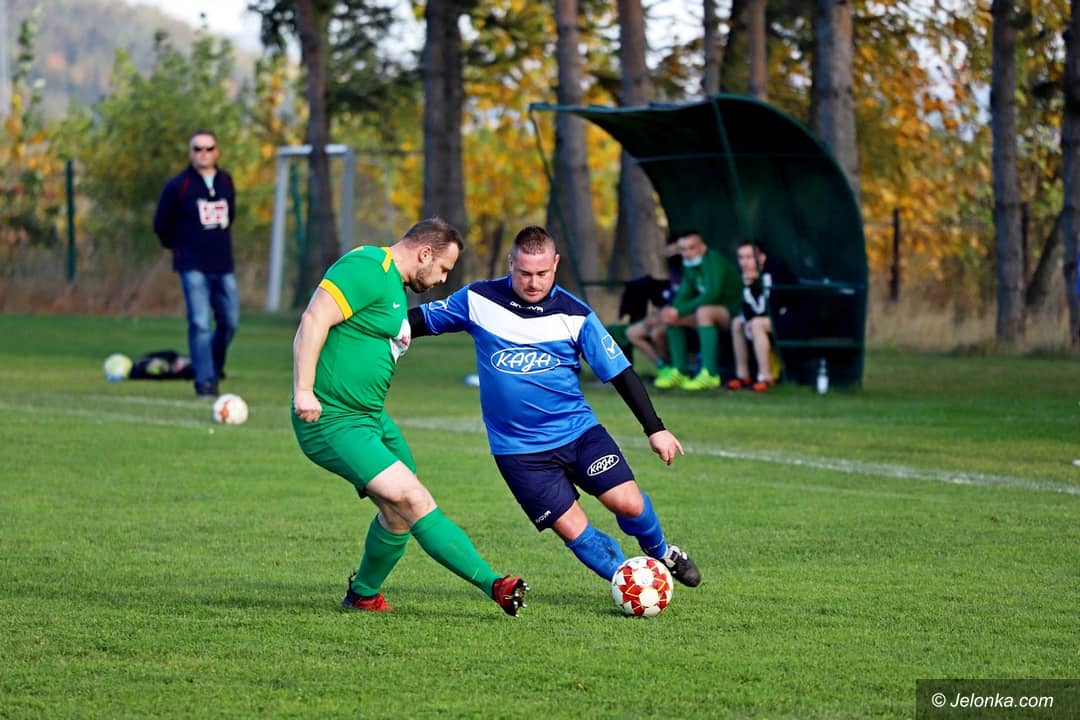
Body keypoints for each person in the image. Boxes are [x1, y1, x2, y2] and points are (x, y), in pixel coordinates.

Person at [408, 225, 701, 589]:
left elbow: (621, 373)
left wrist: (655, 428)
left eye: (542, 273)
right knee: (575, 530)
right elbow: (418, 322)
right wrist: (369, 327)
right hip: (519, 453)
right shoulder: (477, 300)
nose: (533, 282)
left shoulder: (575, 315)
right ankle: (631, 583)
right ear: (510, 263)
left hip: (579, 435)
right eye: (525, 273)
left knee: (628, 503)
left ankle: (662, 551)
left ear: (556, 264)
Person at [291, 218, 528, 616]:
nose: (443, 278)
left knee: (398, 513)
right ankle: (495, 585)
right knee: (413, 499)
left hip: (371, 419)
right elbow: (313, 320)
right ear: (424, 253)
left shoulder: (395, 290)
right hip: (333, 419)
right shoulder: (367, 266)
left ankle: (363, 594)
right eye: (443, 268)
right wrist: (304, 389)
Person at [153, 130, 239, 398]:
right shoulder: (178, 185)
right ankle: (205, 382)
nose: (203, 153)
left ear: (217, 152)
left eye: (208, 148)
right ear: (190, 153)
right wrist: (180, 248)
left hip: (222, 264)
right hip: (192, 265)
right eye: (198, 149)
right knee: (200, 323)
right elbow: (161, 223)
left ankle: (212, 367)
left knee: (230, 321)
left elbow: (230, 216)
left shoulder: (225, 181)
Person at [653, 231, 742, 391]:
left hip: (735, 313)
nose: (687, 253)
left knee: (703, 312)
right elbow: (684, 293)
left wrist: (680, 310)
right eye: (683, 249)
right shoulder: (689, 266)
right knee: (672, 317)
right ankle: (680, 371)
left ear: (702, 247)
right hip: (710, 314)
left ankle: (710, 374)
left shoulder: (714, 261)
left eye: (691, 248)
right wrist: (673, 310)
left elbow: (712, 294)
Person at [727, 240, 786, 392]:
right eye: (741, 257)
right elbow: (747, 311)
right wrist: (748, 286)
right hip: (766, 319)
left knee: (757, 324)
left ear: (762, 258)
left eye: (749, 257)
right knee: (737, 323)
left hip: (790, 320)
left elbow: (768, 309)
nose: (744, 262)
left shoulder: (774, 273)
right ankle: (743, 375)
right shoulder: (747, 277)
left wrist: (752, 287)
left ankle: (765, 377)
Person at [624, 236, 683, 375]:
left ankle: (677, 369)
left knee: (657, 333)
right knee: (632, 332)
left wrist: (662, 318)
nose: (674, 257)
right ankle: (663, 367)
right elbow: (667, 303)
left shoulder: (690, 271)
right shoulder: (672, 272)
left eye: (677, 252)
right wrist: (656, 316)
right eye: (670, 253)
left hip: (681, 318)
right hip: (666, 316)